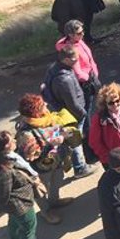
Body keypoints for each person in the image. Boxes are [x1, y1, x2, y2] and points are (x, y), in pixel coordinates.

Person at [0, 131, 47, 239]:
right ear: (5, 147)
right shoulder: (4, 170)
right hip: (20, 203)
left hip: (16, 204)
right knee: (28, 227)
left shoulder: (2, 159)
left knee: (14, 221)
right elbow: (2, 193)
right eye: (10, 140)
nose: (14, 140)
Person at [15, 94, 76, 225]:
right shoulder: (25, 133)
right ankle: (46, 211)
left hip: (56, 161)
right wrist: (51, 144)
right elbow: (30, 156)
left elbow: (56, 129)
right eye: (42, 105)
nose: (46, 105)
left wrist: (64, 134)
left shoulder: (46, 117)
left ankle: (54, 201)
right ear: (35, 112)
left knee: (57, 181)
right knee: (41, 191)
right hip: (41, 169)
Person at [42, 45, 96, 179]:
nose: (77, 62)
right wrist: (82, 113)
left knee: (70, 137)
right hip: (72, 114)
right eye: (74, 59)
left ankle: (74, 163)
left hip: (62, 111)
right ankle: (80, 168)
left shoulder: (54, 69)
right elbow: (72, 102)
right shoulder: (64, 80)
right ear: (66, 60)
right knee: (75, 139)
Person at [54, 19, 101, 162]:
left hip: (91, 80)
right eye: (79, 33)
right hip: (84, 85)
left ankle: (90, 150)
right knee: (85, 119)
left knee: (88, 116)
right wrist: (87, 77)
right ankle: (90, 153)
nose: (83, 34)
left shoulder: (77, 42)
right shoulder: (70, 49)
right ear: (71, 35)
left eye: (83, 31)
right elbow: (77, 70)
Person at [89, 83, 120, 169]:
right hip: (112, 159)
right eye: (111, 103)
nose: (115, 105)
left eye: (117, 101)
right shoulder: (99, 119)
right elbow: (94, 142)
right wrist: (108, 157)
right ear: (105, 103)